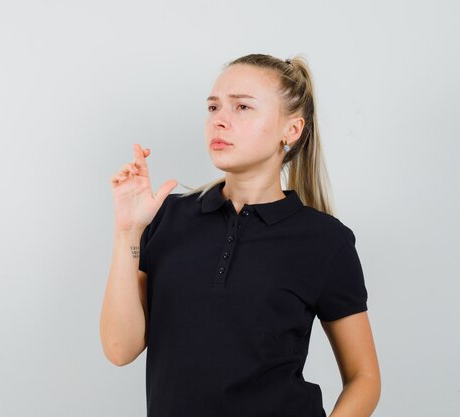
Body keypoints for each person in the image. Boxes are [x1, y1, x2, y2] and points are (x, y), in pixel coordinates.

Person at [100, 53, 381, 417]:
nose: (220, 120)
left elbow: (364, 378)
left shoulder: (325, 241)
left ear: (291, 130)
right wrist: (127, 232)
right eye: (213, 107)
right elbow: (120, 349)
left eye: (242, 107)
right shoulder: (167, 216)